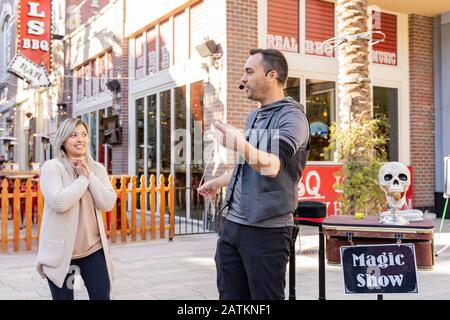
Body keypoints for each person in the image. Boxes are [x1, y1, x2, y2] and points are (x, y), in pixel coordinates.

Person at [198, 48, 310, 300]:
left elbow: (271, 166)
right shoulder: (254, 116)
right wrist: (219, 181)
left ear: (272, 75)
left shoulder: (293, 118)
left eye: (249, 71)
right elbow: (249, 164)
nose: (243, 78)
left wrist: (239, 144)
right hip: (233, 226)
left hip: (267, 231)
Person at [36, 118, 117, 300]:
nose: (80, 139)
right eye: (73, 135)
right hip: (61, 253)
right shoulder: (52, 168)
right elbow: (60, 202)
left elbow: (108, 203)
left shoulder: (97, 169)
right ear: (63, 140)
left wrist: (88, 175)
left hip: (93, 249)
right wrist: (82, 180)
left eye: (84, 134)